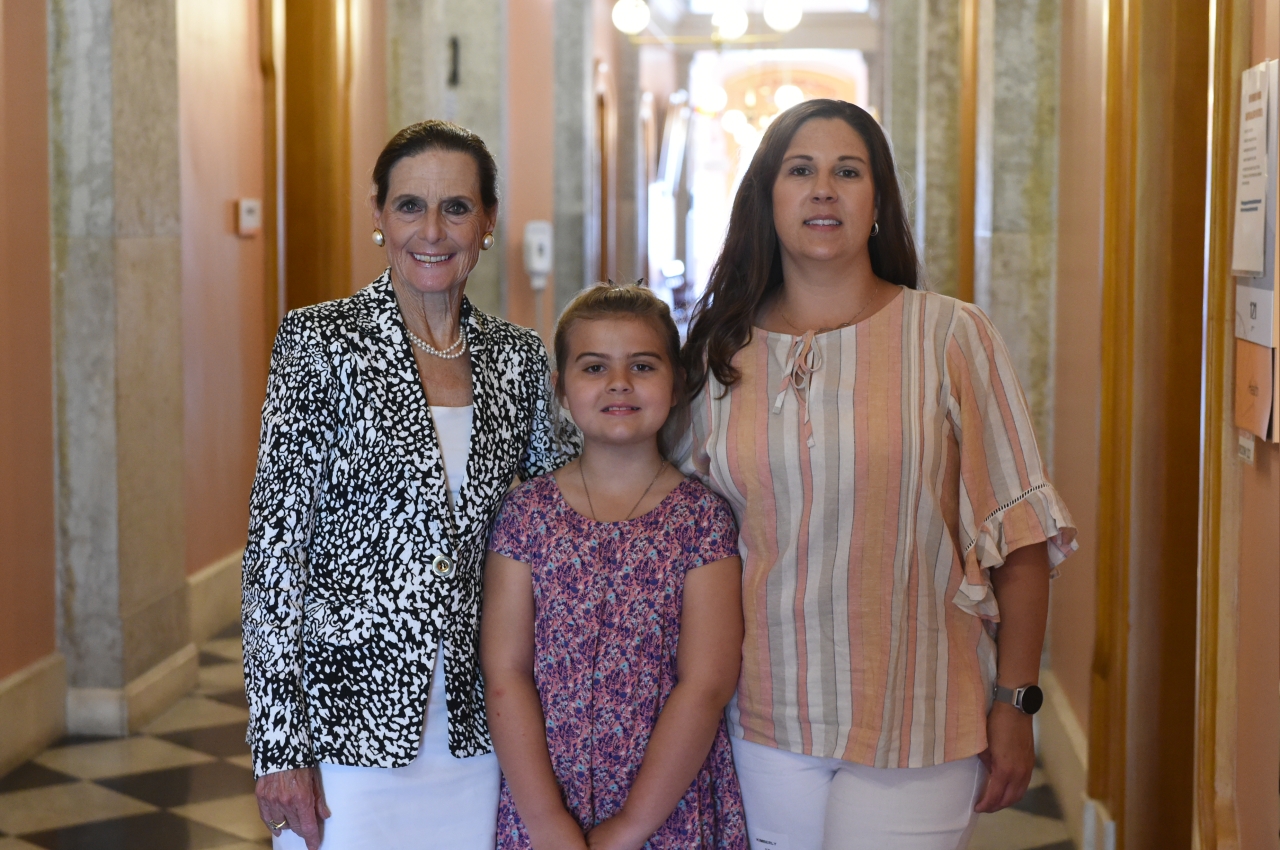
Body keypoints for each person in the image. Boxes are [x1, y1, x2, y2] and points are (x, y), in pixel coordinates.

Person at [679, 99, 1078, 849]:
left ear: (876, 202)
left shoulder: (952, 336)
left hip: (920, 707)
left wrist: (1016, 703)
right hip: (761, 713)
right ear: (768, 199)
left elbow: (1019, 535)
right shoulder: (715, 357)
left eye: (847, 171)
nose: (823, 189)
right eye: (800, 170)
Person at [242, 120, 579, 850]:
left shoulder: (517, 360)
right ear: (378, 215)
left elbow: (569, 505)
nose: (432, 230)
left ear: (488, 221)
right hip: (345, 732)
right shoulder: (318, 344)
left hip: (478, 728)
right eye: (409, 206)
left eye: (456, 207)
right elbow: (274, 554)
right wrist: (279, 747)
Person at [481, 283, 748, 850]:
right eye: (594, 366)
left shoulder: (701, 519)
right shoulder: (526, 513)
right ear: (560, 389)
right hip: (545, 799)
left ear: (675, 385)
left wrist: (629, 828)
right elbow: (505, 671)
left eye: (642, 366)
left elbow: (705, 683)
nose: (619, 383)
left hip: (664, 804)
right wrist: (549, 824)